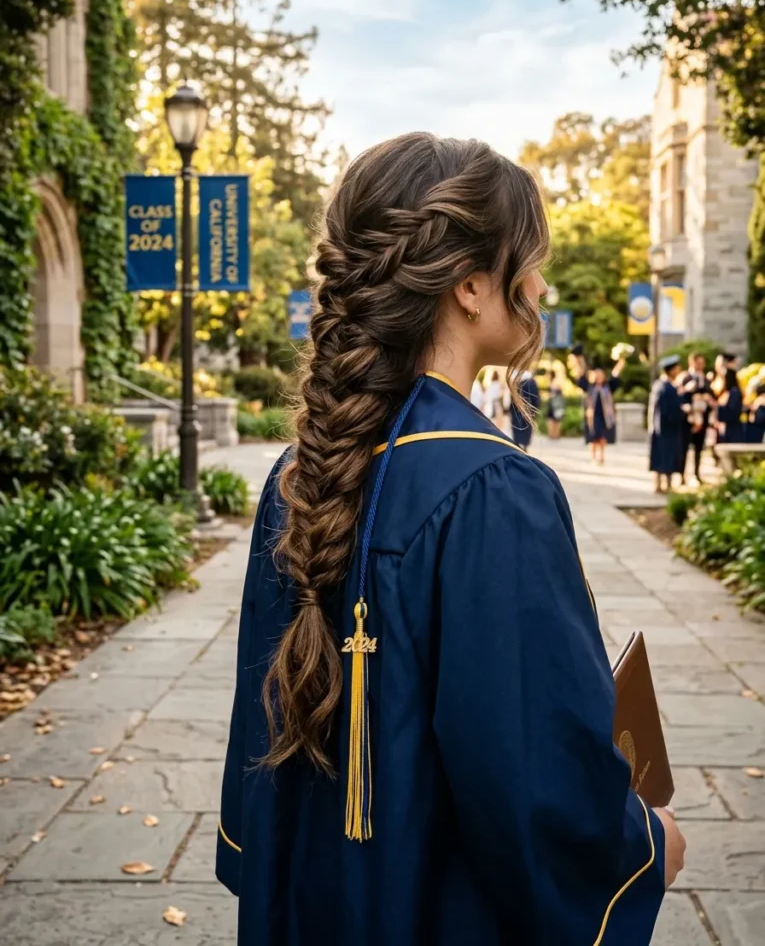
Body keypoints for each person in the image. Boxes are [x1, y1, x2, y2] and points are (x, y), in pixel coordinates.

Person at [216, 133, 684, 946]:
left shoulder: (301, 471)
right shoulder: (492, 491)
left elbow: (255, 771)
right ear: (469, 285)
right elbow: (532, 779)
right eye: (529, 261)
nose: (540, 286)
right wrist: (641, 846)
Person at [569, 351, 626, 464]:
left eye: (601, 375)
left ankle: (602, 456)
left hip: (605, 416)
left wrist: (621, 361)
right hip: (592, 415)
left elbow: (616, 374)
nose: (599, 377)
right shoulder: (590, 387)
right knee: (593, 437)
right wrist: (577, 360)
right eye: (597, 375)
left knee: (603, 437)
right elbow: (581, 375)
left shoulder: (607, 386)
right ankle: (593, 457)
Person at [649, 355, 685, 493]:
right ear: (671, 370)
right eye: (676, 368)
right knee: (666, 457)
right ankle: (666, 485)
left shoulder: (659, 385)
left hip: (659, 428)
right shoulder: (667, 388)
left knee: (660, 456)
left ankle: (659, 484)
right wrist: (682, 411)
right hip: (667, 428)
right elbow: (668, 410)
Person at [677, 353, 714, 485]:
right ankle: (681, 476)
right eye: (698, 363)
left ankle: (697, 474)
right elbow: (679, 396)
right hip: (688, 419)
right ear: (692, 363)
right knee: (684, 448)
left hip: (702, 418)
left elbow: (711, 396)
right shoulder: (685, 378)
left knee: (699, 448)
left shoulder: (706, 379)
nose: (701, 366)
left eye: (702, 363)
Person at [508, 369, 540, 449]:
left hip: (516, 410)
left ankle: (518, 445)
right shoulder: (531, 382)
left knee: (517, 427)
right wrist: (535, 409)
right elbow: (535, 398)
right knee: (527, 428)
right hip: (528, 410)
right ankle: (525, 446)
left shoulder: (516, 382)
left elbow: (512, 398)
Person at [715, 366, 745, 444]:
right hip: (726, 429)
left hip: (732, 430)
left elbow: (732, 411)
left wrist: (716, 407)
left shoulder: (734, 392)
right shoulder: (725, 392)